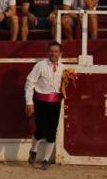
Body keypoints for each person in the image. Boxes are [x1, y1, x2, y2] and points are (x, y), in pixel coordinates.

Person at [24, 41, 73, 169]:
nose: (53, 53)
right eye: (51, 51)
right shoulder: (40, 65)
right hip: (40, 101)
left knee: (52, 131)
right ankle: (33, 150)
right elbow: (30, 82)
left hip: (56, 102)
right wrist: (29, 102)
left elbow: (65, 86)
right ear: (48, 52)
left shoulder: (64, 69)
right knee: (40, 130)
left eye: (56, 51)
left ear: (60, 53)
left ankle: (46, 160)